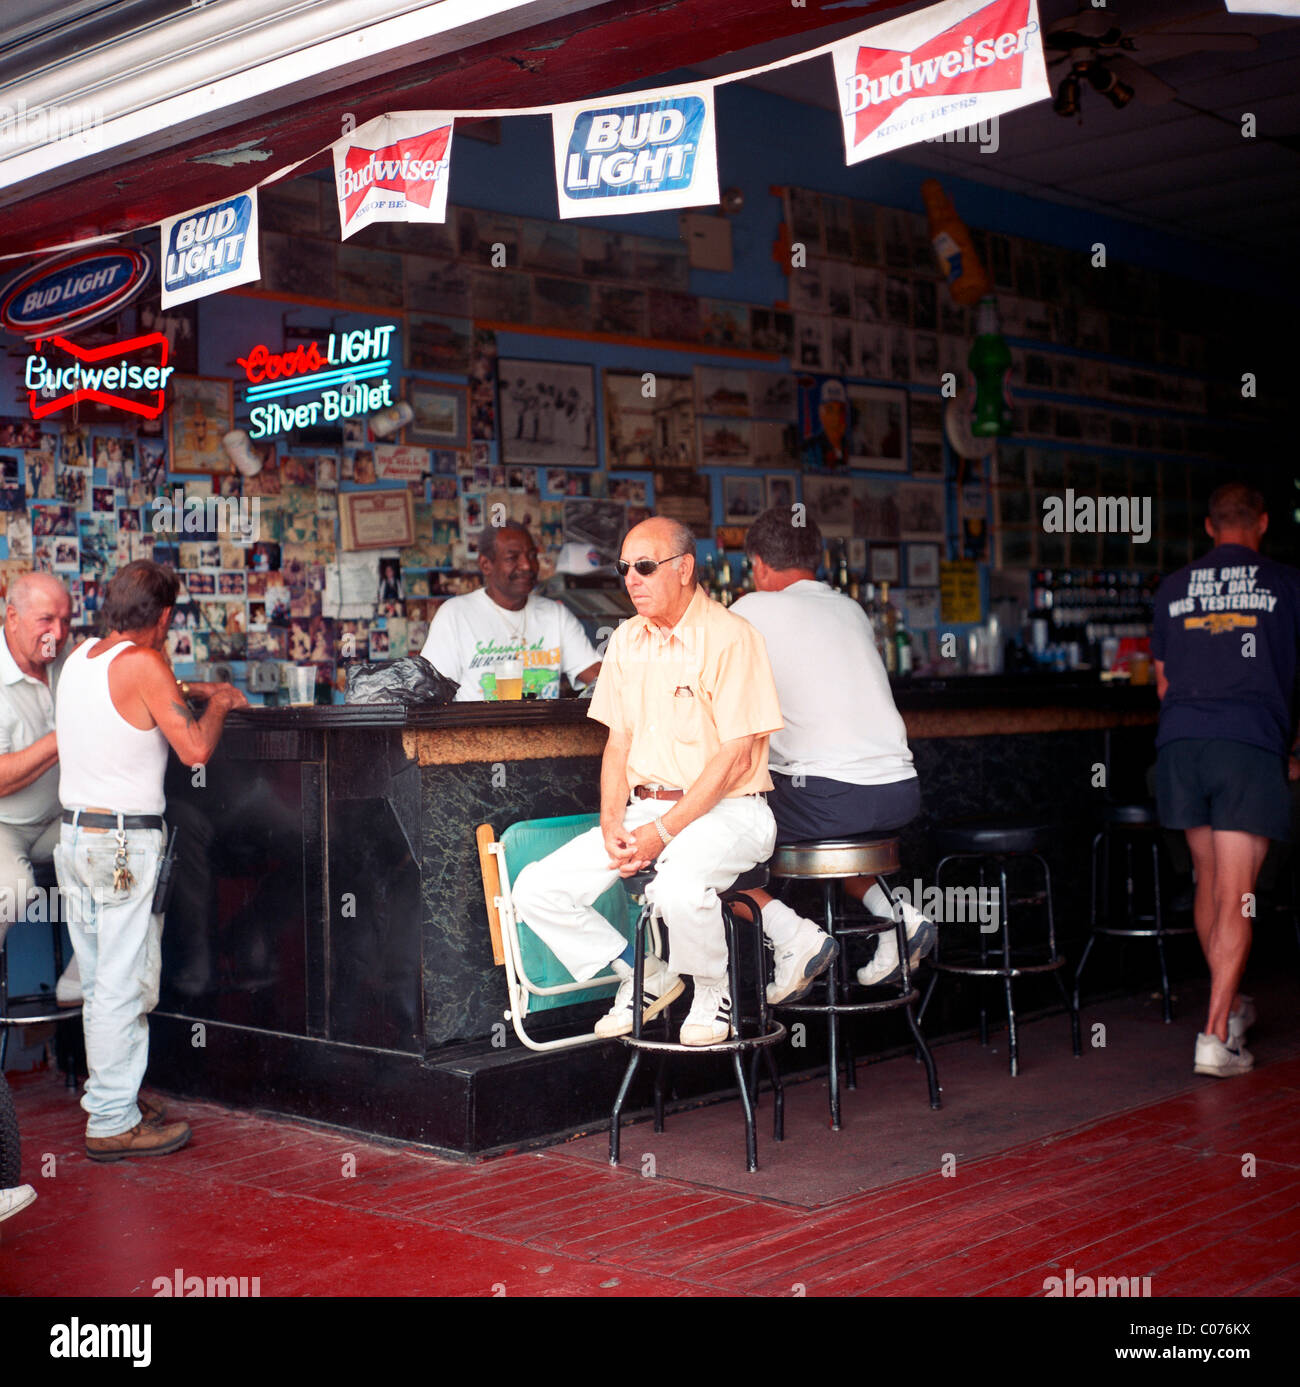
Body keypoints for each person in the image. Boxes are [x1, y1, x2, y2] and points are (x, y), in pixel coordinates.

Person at [513, 516, 782, 1045]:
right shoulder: (628, 640)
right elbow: (618, 742)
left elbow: (733, 757)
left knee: (678, 889)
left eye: (644, 567)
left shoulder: (732, 638)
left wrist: (663, 833)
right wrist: (613, 820)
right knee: (536, 889)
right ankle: (642, 971)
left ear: (684, 569)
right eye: (624, 569)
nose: (631, 579)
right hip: (644, 810)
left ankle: (712, 988)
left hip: (732, 810)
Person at [54, 560, 248, 1161]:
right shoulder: (145, 664)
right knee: (118, 984)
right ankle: (112, 1121)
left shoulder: (81, 659)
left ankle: (115, 1099)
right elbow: (194, 750)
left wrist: (191, 690)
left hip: (76, 840)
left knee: (102, 981)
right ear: (164, 617)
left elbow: (140, 698)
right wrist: (219, 701)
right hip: (122, 847)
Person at [730, 508, 934, 1002]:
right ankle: (900, 921)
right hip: (898, 795)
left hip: (828, 799)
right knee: (839, 834)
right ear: (817, 560)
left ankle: (792, 936)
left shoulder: (749, 610)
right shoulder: (851, 609)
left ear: (757, 563)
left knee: (714, 843)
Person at [1151, 482, 1300, 1078]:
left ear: (1209, 528)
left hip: (1181, 746)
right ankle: (1215, 1038)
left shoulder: (1173, 586)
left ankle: (1231, 1006)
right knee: (1240, 892)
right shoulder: (1287, 584)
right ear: (1262, 523)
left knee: (1213, 884)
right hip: (1246, 745)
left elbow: (1162, 685)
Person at [0, 573, 78, 1003]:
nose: (59, 633)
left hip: (58, 821)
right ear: (12, 617)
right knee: (11, 892)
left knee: (133, 848)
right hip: (3, 825)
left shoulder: (68, 660)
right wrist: (65, 733)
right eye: (46, 620)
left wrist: (194, 688)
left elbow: (137, 679)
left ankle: (80, 977)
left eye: (65, 620)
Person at [419, 522, 601, 700]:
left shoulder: (556, 615)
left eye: (531, 555)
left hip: (544, 730)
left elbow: (597, 675)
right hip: (476, 730)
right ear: (486, 565)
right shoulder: (455, 615)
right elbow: (429, 693)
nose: (527, 566)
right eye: (512, 558)